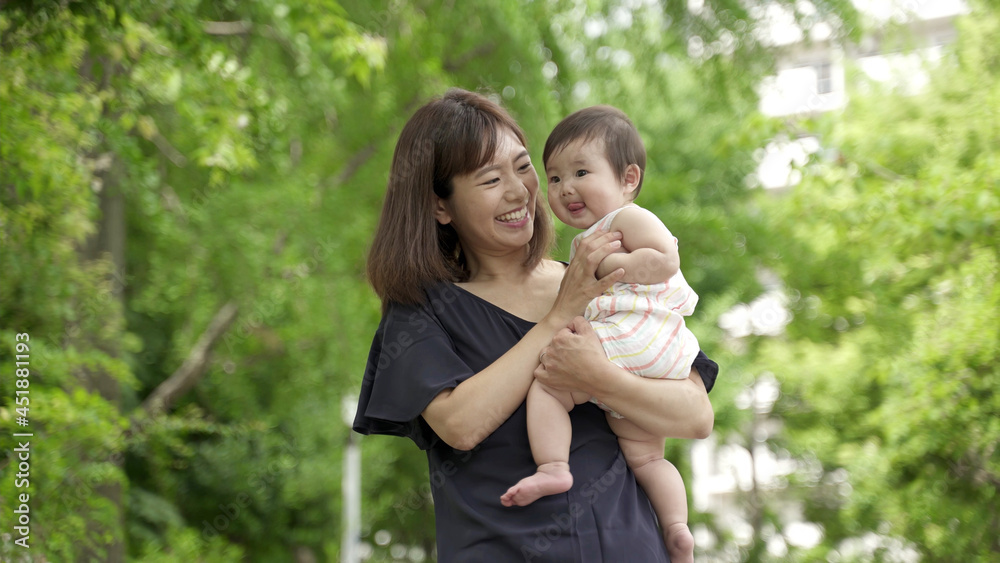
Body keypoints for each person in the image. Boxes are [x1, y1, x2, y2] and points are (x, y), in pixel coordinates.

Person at [353, 88, 718, 562]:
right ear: (441, 207)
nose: (518, 191)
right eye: (489, 180)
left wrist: (599, 378)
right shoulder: (422, 309)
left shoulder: (601, 280)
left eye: (524, 167)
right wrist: (559, 316)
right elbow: (460, 425)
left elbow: (695, 415)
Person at [500, 106, 702, 562]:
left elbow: (666, 256)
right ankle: (677, 529)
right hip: (654, 355)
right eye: (553, 178)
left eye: (581, 172)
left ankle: (553, 466)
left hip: (637, 334)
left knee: (549, 382)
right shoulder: (589, 237)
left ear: (629, 179)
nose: (565, 187)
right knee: (647, 457)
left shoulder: (622, 221)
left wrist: (612, 266)